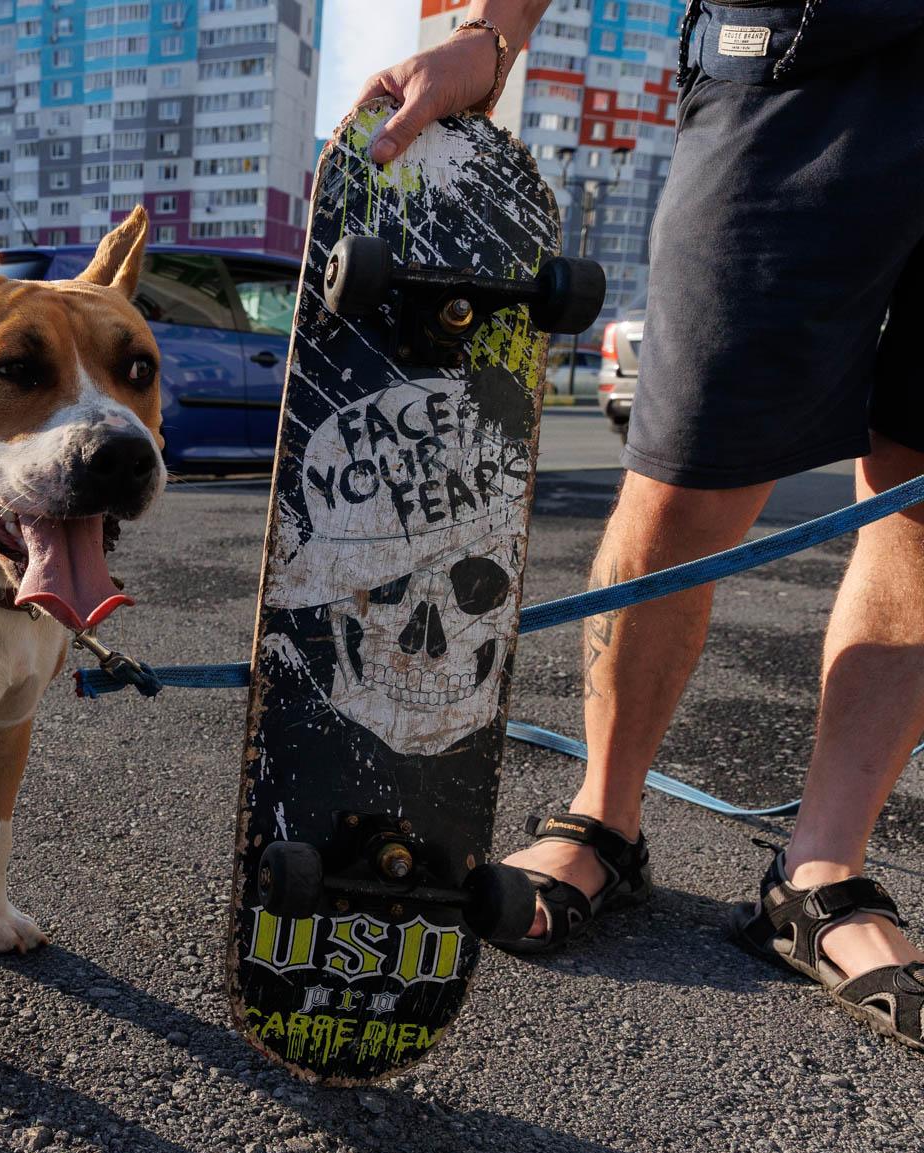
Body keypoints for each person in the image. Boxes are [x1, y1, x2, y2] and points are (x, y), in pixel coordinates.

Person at [354, 0, 924, 1052]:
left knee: (917, 501)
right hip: (801, 64)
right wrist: (490, 32)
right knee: (684, 481)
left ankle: (819, 871)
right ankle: (606, 816)